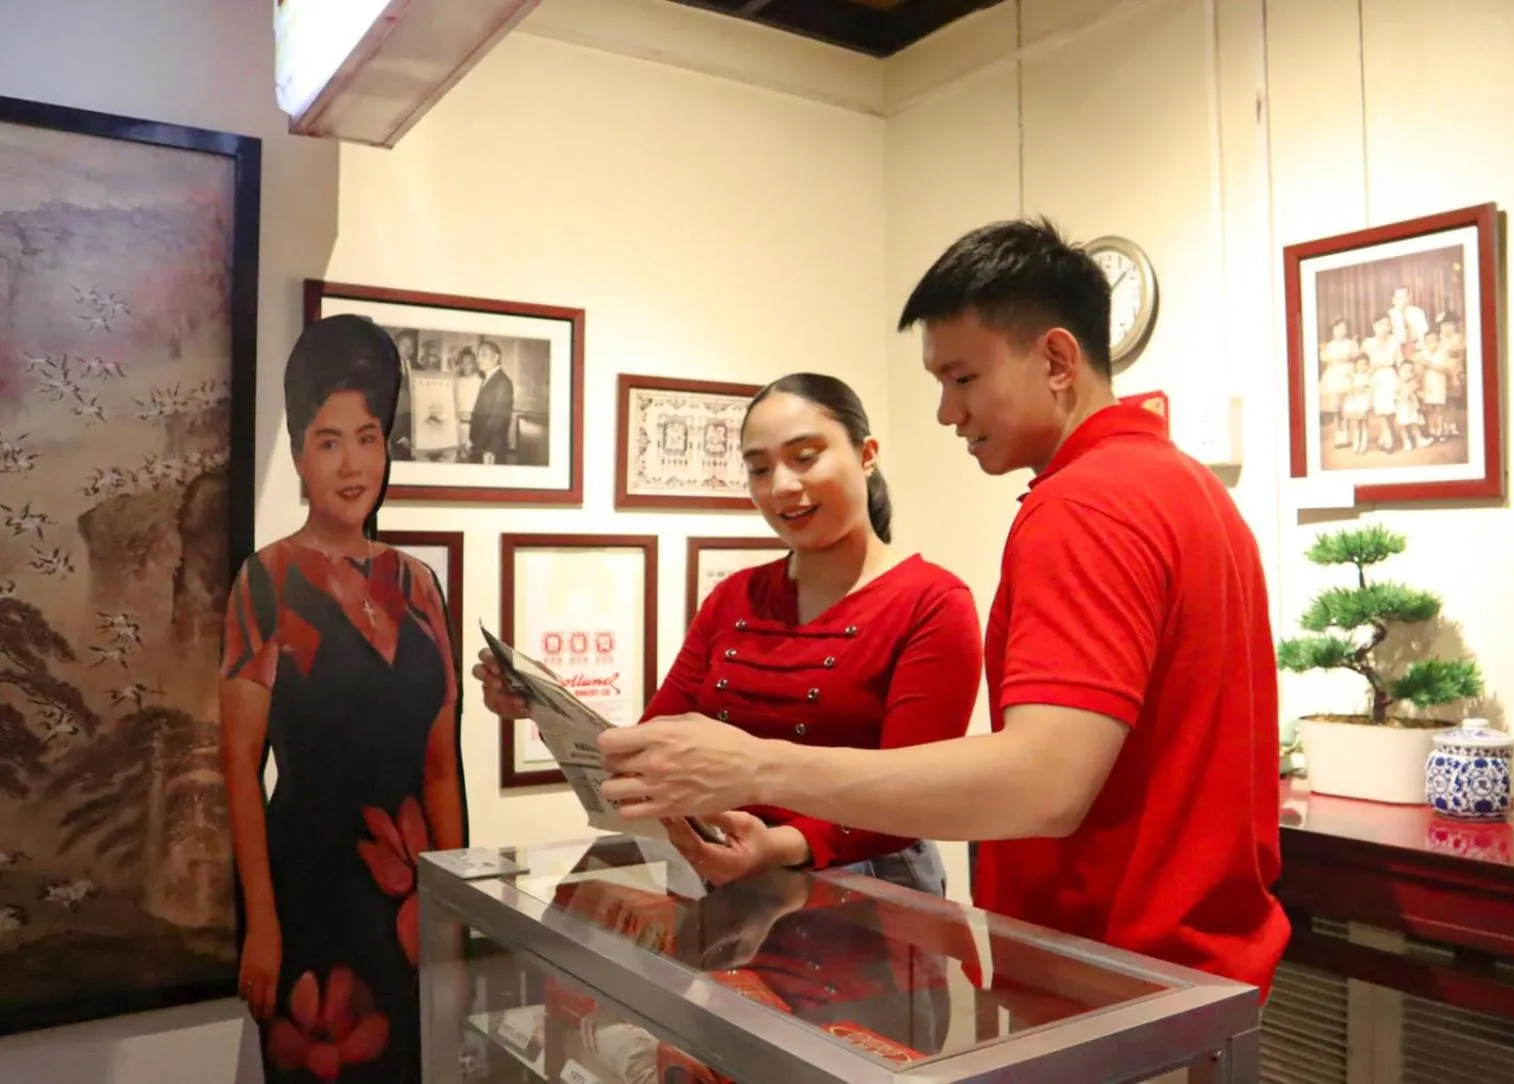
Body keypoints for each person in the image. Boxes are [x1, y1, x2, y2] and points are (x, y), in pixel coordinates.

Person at [588, 218, 1290, 1000]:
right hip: (1190, 972)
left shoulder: (1081, 506)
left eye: (962, 379)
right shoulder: (1187, 487)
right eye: (759, 467)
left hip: (1118, 973)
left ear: (1056, 360)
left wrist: (757, 765)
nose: (947, 413)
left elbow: (1044, 782)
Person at [474, 373, 983, 896]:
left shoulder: (932, 602)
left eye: (805, 457)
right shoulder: (735, 597)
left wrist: (777, 845)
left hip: (867, 890)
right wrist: (546, 705)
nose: (781, 486)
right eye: (759, 468)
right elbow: (659, 736)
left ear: (867, 453)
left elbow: (915, 798)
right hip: (724, 870)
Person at [220, 315, 466, 1082]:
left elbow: (439, 770)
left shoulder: (420, 587)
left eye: (368, 436)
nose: (353, 463)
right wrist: (261, 923)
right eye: (329, 441)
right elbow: (238, 769)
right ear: (298, 454)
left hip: (409, 906)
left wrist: (454, 907)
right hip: (310, 901)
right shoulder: (264, 583)